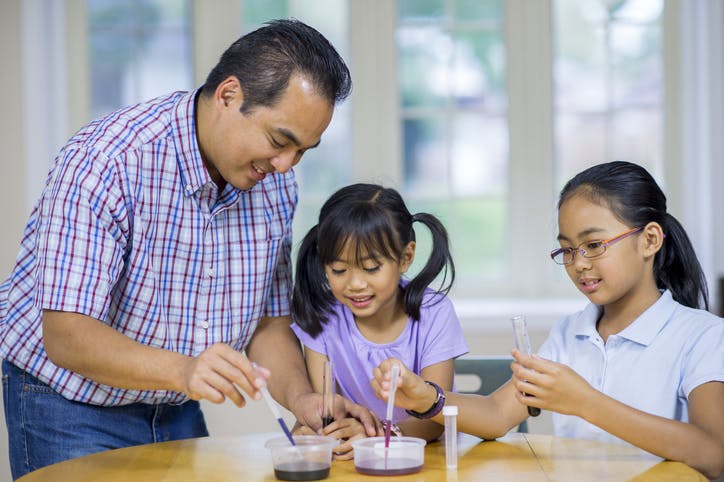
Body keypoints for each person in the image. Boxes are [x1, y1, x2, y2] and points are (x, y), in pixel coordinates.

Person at [0, 19, 378, 480]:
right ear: (228, 96)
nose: (284, 166)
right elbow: (66, 332)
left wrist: (303, 400)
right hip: (69, 401)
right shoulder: (108, 162)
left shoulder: (276, 186)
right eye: (280, 141)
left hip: (174, 406)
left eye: (303, 151)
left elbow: (268, 325)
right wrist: (184, 370)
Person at [371, 161, 724, 479]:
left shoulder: (703, 336)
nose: (579, 263)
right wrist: (425, 399)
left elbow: (714, 453)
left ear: (649, 240)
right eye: (567, 250)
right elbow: (496, 413)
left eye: (594, 245)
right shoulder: (571, 334)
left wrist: (586, 402)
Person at [290, 183, 469, 458]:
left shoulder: (435, 312)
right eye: (338, 269)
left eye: (371, 268)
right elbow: (327, 409)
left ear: (405, 257)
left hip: (428, 460)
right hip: (353, 463)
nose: (355, 284)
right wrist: (320, 431)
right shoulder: (322, 316)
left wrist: (379, 439)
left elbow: (434, 420)